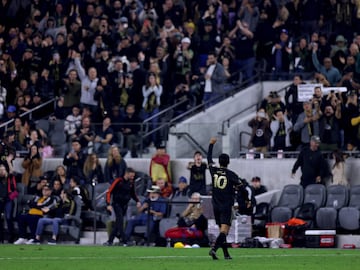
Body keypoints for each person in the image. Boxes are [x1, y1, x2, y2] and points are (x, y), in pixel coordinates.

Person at [207, 137, 246, 260]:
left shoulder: (214, 171)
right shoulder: (231, 174)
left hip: (216, 205)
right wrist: (246, 199)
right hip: (226, 206)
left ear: (219, 162)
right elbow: (242, 188)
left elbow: (208, 159)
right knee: (224, 231)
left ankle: (226, 254)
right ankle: (214, 249)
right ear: (228, 162)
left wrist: (211, 145)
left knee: (222, 231)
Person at [103, 167, 140, 246]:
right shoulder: (118, 181)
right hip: (117, 204)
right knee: (120, 221)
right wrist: (108, 204)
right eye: (131, 176)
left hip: (124, 205)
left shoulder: (131, 183)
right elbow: (109, 192)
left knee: (118, 223)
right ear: (126, 174)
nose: (132, 178)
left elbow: (132, 193)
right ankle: (125, 240)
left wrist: (137, 201)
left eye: (133, 176)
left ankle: (110, 241)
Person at [0, 155, 16, 243]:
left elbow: (12, 171)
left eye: (3, 169)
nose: (1, 171)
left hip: (8, 200)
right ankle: (1, 238)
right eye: (0, 169)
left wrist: (9, 162)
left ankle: (11, 237)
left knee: (8, 217)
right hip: (0, 200)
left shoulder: (9, 178)